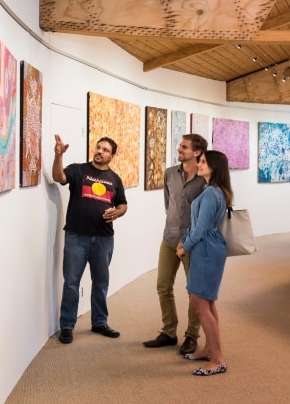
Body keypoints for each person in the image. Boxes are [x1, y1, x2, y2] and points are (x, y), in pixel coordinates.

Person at [52, 134, 128, 344]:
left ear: (112, 156)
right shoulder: (78, 170)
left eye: (105, 150)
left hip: (104, 239)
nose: (99, 152)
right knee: (71, 283)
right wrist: (58, 156)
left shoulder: (114, 179)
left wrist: (118, 212)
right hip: (77, 237)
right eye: (98, 147)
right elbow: (59, 177)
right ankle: (67, 326)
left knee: (101, 283)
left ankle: (99, 322)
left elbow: (122, 204)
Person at [143, 134, 207, 355]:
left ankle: (191, 336)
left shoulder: (204, 178)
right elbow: (168, 204)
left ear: (197, 152)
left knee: (193, 291)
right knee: (163, 286)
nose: (179, 149)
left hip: (192, 243)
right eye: (180, 146)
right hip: (169, 238)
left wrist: (190, 239)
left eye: (184, 147)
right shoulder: (170, 173)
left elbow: (205, 215)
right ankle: (169, 332)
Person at [176, 150, 232, 376]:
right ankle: (209, 349)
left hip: (207, 250)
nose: (199, 164)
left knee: (199, 304)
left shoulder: (211, 194)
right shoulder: (214, 191)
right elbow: (197, 223)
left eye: (203, 162)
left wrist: (185, 247)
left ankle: (217, 360)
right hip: (207, 247)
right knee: (207, 302)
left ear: (214, 167)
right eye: (200, 161)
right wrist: (184, 239)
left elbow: (201, 228)